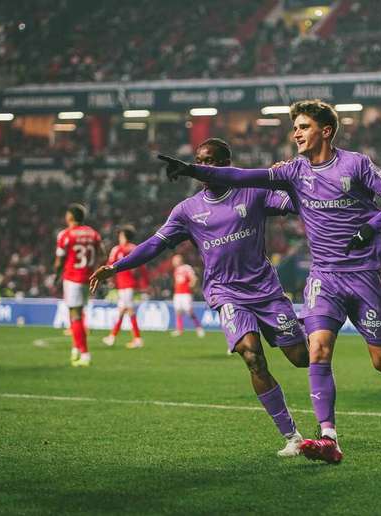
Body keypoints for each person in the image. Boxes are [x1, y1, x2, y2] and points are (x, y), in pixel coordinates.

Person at [157, 100, 381, 464]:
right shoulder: (293, 171)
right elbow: (242, 176)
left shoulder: (355, 164)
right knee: (318, 350)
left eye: (304, 126)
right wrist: (191, 169)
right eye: (294, 126)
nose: (295, 132)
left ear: (325, 131)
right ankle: (329, 437)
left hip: (364, 277)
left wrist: (369, 227)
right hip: (323, 277)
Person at [90, 138, 310, 457]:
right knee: (252, 358)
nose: (203, 166)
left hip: (266, 291)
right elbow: (154, 244)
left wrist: (287, 178)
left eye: (210, 161)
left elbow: (295, 202)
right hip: (226, 293)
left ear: (226, 164)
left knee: (300, 359)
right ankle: (292, 435)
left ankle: (306, 321)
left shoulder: (253, 192)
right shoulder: (187, 210)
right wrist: (116, 266)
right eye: (199, 161)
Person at [54, 203, 104, 367]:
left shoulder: (66, 234)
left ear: (69, 217)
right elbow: (102, 254)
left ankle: (84, 354)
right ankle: (75, 348)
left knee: (74, 314)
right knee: (78, 312)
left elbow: (59, 260)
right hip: (87, 278)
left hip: (72, 278)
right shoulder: (93, 234)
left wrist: (56, 274)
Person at [102, 225, 146, 349]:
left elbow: (109, 265)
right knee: (122, 310)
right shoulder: (135, 249)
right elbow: (141, 267)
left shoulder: (117, 249)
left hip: (125, 285)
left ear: (124, 236)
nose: (119, 237)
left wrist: (108, 279)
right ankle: (112, 336)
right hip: (129, 284)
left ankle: (137, 339)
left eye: (120, 235)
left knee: (129, 310)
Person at [171, 254, 205, 338]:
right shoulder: (176, 270)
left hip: (186, 293)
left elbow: (194, 278)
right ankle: (179, 330)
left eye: (175, 260)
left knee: (189, 312)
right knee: (178, 312)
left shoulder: (187, 268)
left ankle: (199, 328)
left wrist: (191, 285)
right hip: (177, 294)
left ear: (180, 260)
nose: (174, 262)